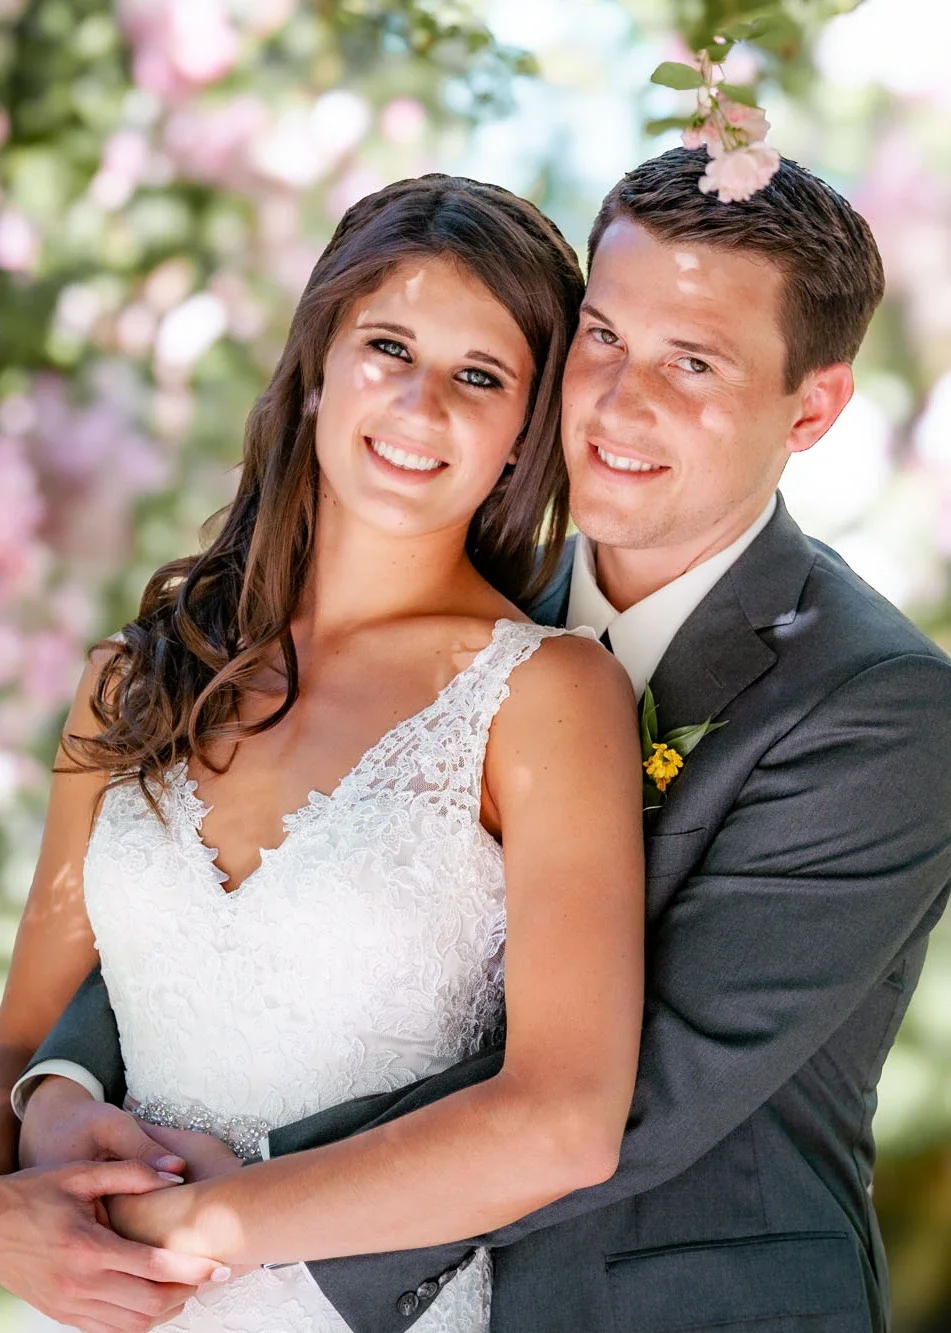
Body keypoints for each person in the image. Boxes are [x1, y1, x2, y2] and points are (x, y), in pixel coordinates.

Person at [12, 146, 951, 1332]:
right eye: (603, 338)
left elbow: (630, 1098)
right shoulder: (478, 608)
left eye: (693, 362)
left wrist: (199, 1211)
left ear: (810, 406)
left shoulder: (877, 706)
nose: (620, 400)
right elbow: (207, 931)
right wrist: (57, 1102)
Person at [0, 174, 646, 1331]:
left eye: (480, 376)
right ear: (314, 370)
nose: (419, 402)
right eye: (388, 345)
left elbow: (565, 1117)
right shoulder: (134, 679)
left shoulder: (546, 693)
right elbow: (16, 1038)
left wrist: (193, 1224)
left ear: (520, 438)